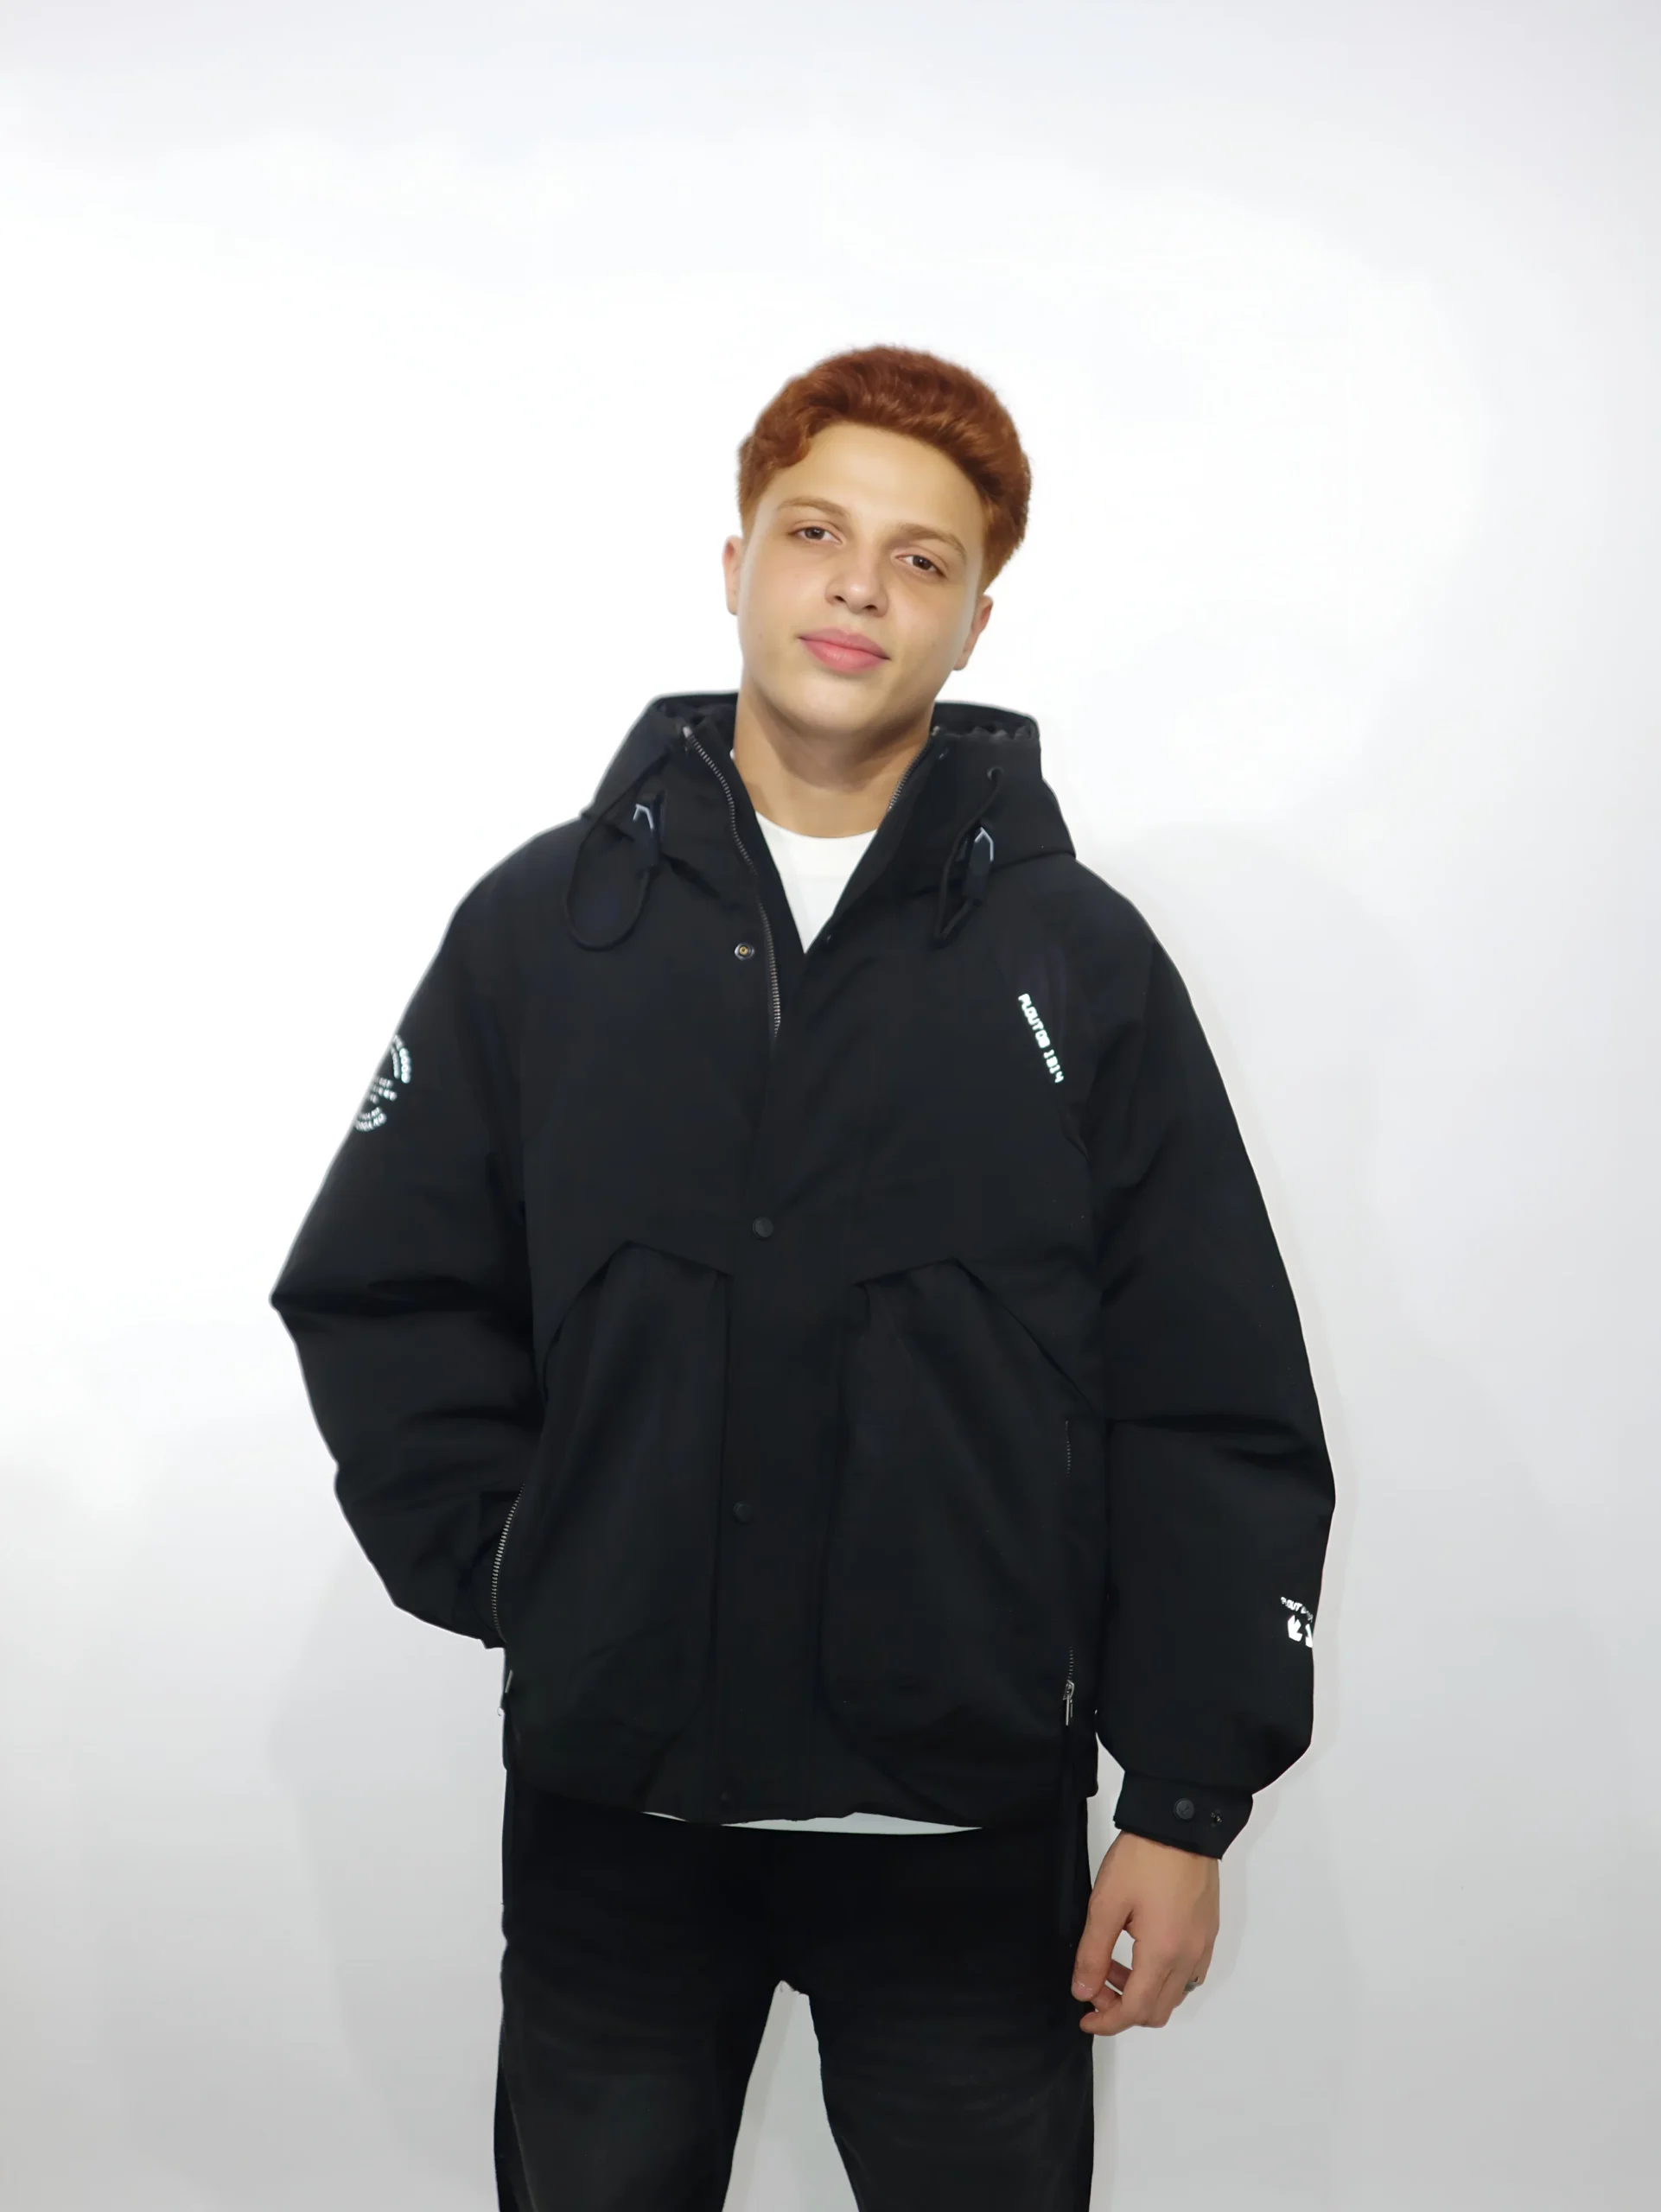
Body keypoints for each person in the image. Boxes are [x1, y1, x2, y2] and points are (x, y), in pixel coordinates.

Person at [270, 342, 1335, 2211]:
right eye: (816, 532)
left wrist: (1182, 1800)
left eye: (923, 559)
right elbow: (384, 1285)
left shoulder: (1076, 964)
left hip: (959, 1828)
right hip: (615, 1814)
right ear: (737, 562)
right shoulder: (546, 930)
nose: (860, 586)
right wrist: (524, 1561)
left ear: (976, 619)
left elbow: (1205, 1390)